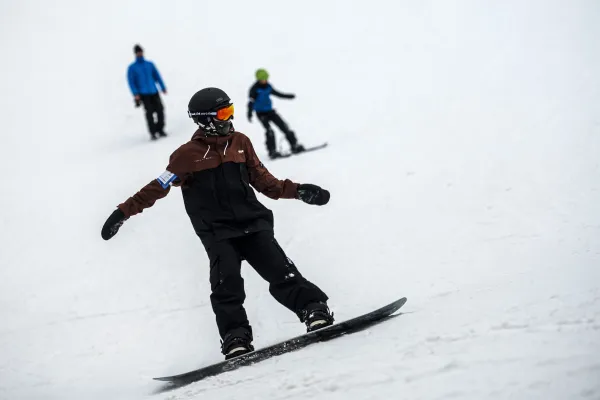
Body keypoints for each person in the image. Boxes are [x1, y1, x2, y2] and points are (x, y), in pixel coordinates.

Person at [101, 87, 334, 360]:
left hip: (253, 225)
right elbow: (157, 187)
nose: (230, 118)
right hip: (218, 233)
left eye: (231, 110)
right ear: (205, 119)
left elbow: (266, 184)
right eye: (224, 113)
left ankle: (314, 309)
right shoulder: (186, 156)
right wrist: (122, 213)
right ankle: (235, 337)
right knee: (227, 287)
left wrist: (300, 191)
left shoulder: (240, 143)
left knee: (281, 272)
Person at [247, 69, 305, 159]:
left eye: (266, 78)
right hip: (261, 114)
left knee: (284, 127)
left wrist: (288, 96)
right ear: (258, 79)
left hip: (270, 112)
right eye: (262, 79)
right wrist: (249, 113)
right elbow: (250, 103)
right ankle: (272, 151)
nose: (264, 80)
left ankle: (294, 145)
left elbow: (278, 94)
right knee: (270, 131)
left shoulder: (268, 86)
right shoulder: (254, 89)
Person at [127, 44, 168, 140]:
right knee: (149, 113)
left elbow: (157, 76)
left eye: (141, 51)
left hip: (154, 91)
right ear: (135, 53)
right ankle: (153, 133)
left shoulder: (149, 64)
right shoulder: (132, 68)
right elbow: (131, 82)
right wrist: (135, 94)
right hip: (143, 94)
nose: (140, 53)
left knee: (160, 110)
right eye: (138, 52)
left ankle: (160, 129)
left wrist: (162, 87)